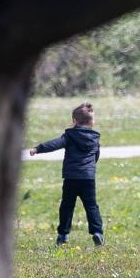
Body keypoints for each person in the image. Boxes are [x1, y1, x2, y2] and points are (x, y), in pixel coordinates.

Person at [31, 102, 104, 246]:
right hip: (88, 178)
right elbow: (96, 156)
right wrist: (89, 168)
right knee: (91, 206)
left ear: (74, 121)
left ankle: (63, 235)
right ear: (92, 122)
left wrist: (38, 148)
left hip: (71, 177)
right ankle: (97, 232)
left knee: (67, 206)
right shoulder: (95, 139)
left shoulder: (70, 136)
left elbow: (55, 144)